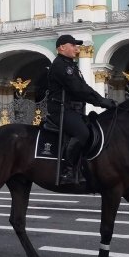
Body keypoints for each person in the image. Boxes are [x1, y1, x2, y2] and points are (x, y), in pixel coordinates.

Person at [47, 34, 117, 184]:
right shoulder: (61, 65)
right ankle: (68, 171)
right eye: (72, 45)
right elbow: (78, 89)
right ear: (61, 48)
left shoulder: (71, 65)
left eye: (76, 45)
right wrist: (102, 102)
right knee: (82, 133)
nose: (76, 49)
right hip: (61, 110)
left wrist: (102, 100)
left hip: (74, 111)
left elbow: (84, 88)